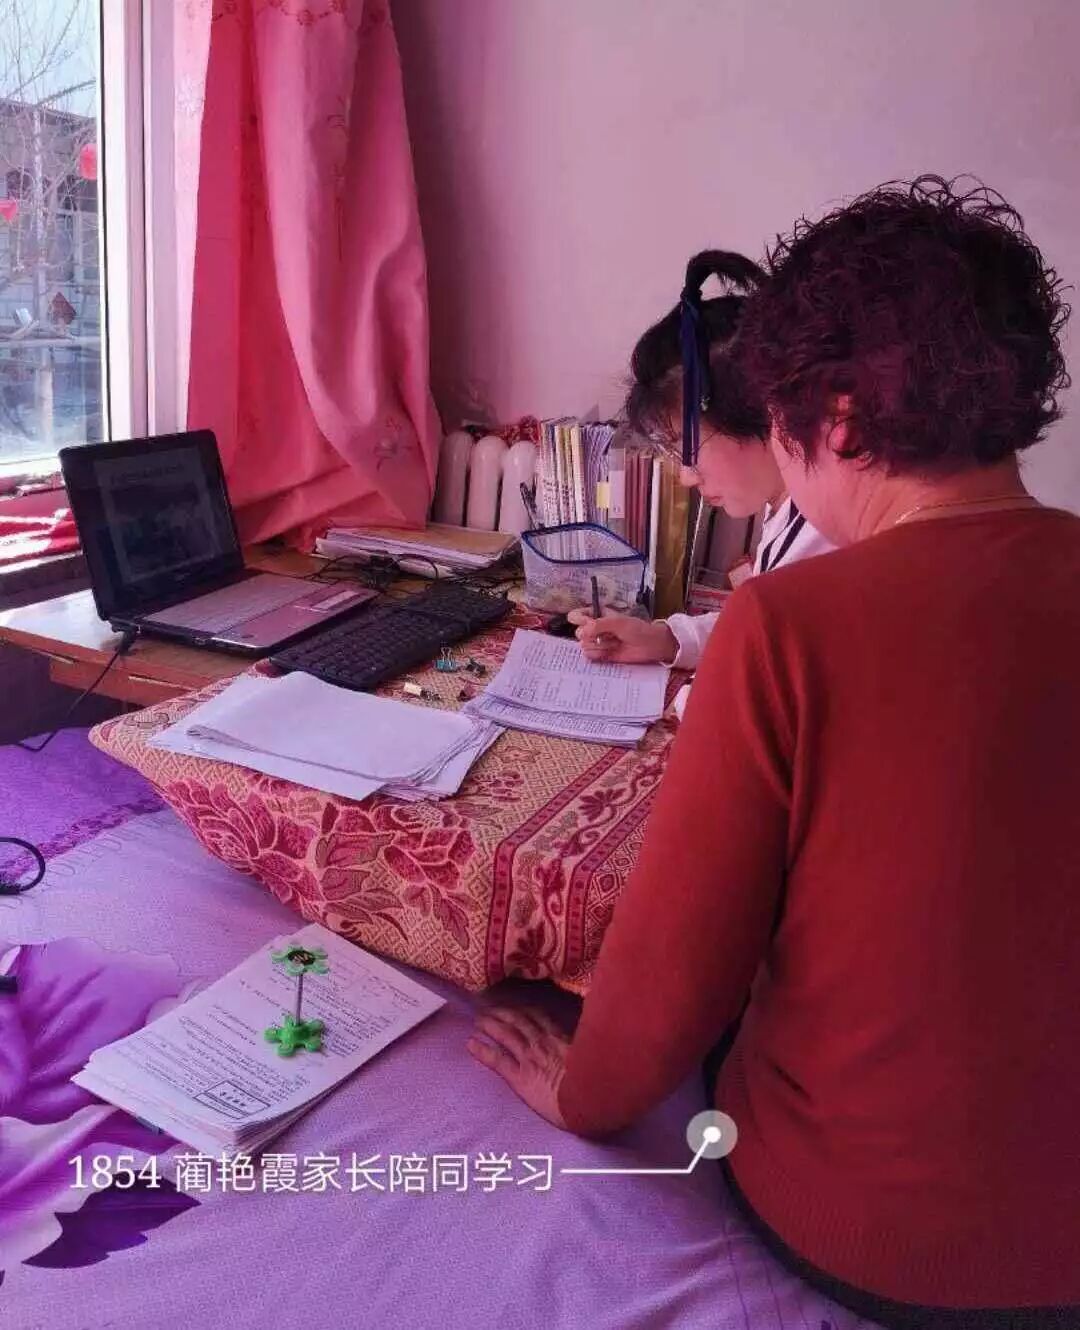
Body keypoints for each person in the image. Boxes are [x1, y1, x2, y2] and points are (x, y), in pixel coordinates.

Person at [468, 177, 1080, 1326]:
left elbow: (677, 956)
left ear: (835, 420)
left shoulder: (795, 624)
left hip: (873, 1227)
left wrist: (585, 1095)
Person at [570, 250, 833, 677]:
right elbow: (757, 632)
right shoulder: (790, 510)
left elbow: (755, 673)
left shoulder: (821, 537)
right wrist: (665, 639)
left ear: (760, 412)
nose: (687, 476)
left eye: (686, 449)